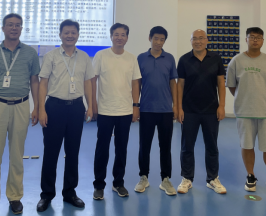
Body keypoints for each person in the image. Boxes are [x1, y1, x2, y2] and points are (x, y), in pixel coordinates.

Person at [0, 13, 40, 216]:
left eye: (18, 25)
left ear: (22, 29)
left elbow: (34, 81)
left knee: (17, 154)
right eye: (10, 25)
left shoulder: (30, 53)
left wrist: (36, 107)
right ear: (3, 28)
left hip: (21, 105)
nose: (14, 28)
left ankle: (15, 197)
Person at [36, 19, 94, 212]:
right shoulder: (51, 56)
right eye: (66, 32)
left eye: (73, 32)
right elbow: (43, 83)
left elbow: (88, 82)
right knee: (51, 152)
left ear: (78, 34)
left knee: (73, 152)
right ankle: (46, 195)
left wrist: (90, 106)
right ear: (60, 34)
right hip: (54, 107)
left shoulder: (84, 57)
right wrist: (41, 109)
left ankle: (69, 192)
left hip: (76, 108)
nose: (70, 35)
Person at [226, 27, 266, 193]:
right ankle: (250, 175)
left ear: (262, 41)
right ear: (246, 39)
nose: (255, 40)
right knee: (247, 145)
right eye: (252, 37)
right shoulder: (236, 61)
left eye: (258, 37)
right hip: (244, 111)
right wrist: (245, 97)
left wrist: (262, 96)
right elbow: (231, 86)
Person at [92, 23, 141, 200]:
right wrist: (93, 104)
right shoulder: (101, 55)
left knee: (121, 149)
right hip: (105, 110)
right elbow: (93, 80)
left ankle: (118, 183)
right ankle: (99, 185)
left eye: (123, 35)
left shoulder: (131, 58)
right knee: (102, 149)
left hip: (125, 111)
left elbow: (135, 83)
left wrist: (136, 106)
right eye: (116, 34)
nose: (119, 37)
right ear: (111, 36)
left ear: (127, 38)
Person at [176, 29, 226, 195]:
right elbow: (180, 85)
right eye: (194, 39)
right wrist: (179, 108)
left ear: (206, 40)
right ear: (190, 41)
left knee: (212, 146)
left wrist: (221, 106)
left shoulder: (216, 58)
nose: (198, 41)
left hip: (211, 110)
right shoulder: (184, 60)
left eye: (201, 38)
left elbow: (221, 83)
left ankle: (212, 179)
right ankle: (187, 178)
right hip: (189, 110)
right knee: (187, 146)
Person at [134, 26, 178, 196]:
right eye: (156, 38)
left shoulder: (170, 58)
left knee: (165, 146)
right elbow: (137, 83)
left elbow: (173, 83)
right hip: (146, 109)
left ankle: (165, 179)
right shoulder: (141, 58)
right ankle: (143, 177)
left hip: (165, 110)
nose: (158, 42)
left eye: (162, 39)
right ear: (150, 38)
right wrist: (136, 105)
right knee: (144, 145)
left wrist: (175, 106)